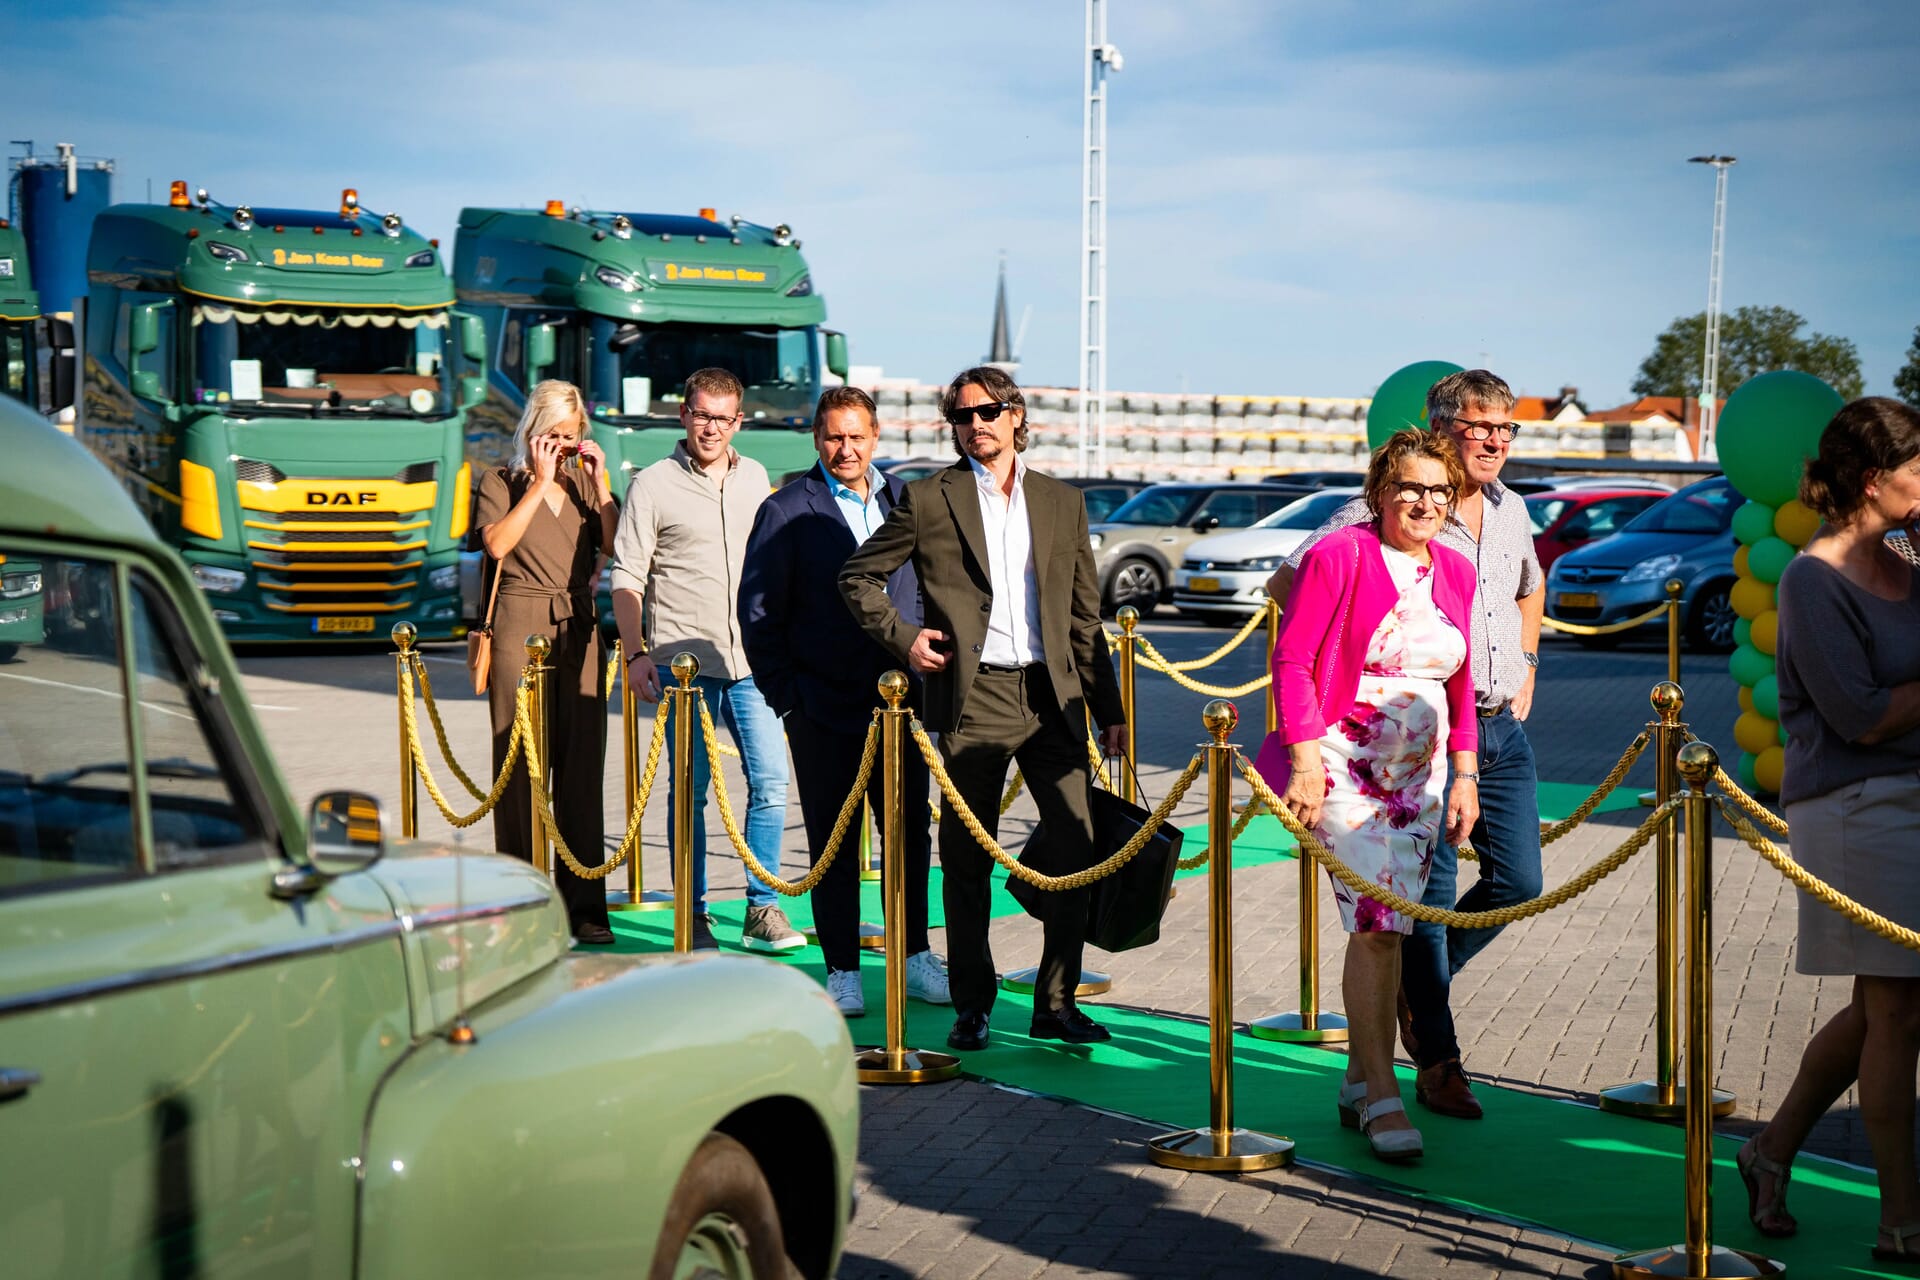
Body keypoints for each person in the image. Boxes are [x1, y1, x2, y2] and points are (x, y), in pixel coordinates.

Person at [1265, 369, 1542, 1119]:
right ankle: (1421, 1071)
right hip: (1366, 755)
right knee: (1402, 918)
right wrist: (1331, 691)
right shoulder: (1364, 524)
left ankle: (1399, 1017)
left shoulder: (1505, 515)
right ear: (1443, 431)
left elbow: (1527, 589)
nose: (1495, 440)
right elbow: (1291, 606)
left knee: (1511, 886)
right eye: (1479, 426)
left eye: (1505, 427)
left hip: (1471, 740)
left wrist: (1525, 665)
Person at [840, 365, 1126, 1051]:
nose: (976, 424)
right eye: (962, 416)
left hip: (1052, 697)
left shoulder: (1061, 501)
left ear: (1016, 415)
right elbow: (858, 576)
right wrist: (906, 638)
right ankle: (973, 1004)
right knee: (967, 858)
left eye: (988, 411)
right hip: (975, 696)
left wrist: (1108, 707)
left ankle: (1056, 1002)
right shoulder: (929, 498)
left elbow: (1084, 616)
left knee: (1076, 849)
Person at [1256, 429, 1479, 1161]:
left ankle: (1358, 1079)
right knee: (1378, 925)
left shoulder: (1456, 568)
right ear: (1381, 492)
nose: (1424, 502)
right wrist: (1303, 762)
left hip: (1421, 777)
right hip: (1343, 763)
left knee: (1394, 928)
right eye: (1410, 487)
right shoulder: (1341, 553)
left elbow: (1461, 683)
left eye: (1439, 490)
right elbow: (1293, 660)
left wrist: (1466, 773)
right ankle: (1383, 1093)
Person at [1738, 396, 1920, 1264]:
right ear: (1875, 479)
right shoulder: (1812, 578)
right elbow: (1859, 717)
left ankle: (1770, 1151)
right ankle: (1902, 1220)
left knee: (1884, 1006)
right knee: (1899, 1010)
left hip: (1911, 796)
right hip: (1855, 808)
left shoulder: (1910, 551)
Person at [738, 385, 949, 1016]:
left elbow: (926, 591)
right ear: (817, 438)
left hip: (901, 708)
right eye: (834, 436)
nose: (846, 448)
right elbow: (759, 612)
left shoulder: (905, 501)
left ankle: (914, 954)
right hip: (822, 708)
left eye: (857, 436)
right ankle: (843, 969)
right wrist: (788, 699)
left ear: (876, 436)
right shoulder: (784, 510)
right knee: (834, 843)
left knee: (909, 838)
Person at [610, 368, 800, 954]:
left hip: (752, 663)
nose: (711, 428)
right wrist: (635, 653)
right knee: (689, 791)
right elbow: (627, 576)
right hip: (681, 666)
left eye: (722, 417)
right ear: (683, 415)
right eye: (701, 415)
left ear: (738, 421)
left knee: (771, 783)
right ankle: (691, 914)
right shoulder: (652, 485)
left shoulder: (757, 478)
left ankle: (761, 909)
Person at [475, 379, 619, 944]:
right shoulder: (500, 480)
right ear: (532, 430)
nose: (562, 446)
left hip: (579, 625)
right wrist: (538, 483)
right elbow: (496, 545)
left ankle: (584, 909)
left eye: (571, 435)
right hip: (520, 623)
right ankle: (523, 906)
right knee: (519, 767)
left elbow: (616, 545)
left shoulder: (584, 483)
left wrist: (601, 482)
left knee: (582, 770)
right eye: (552, 435)